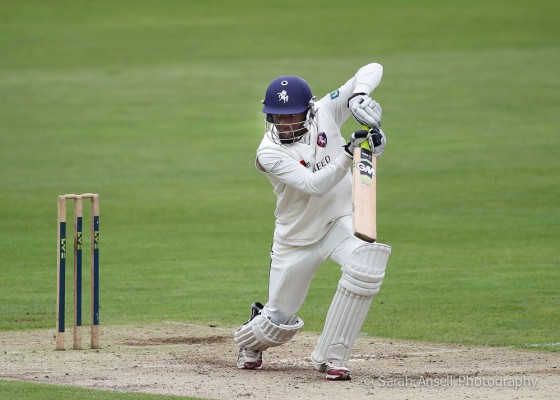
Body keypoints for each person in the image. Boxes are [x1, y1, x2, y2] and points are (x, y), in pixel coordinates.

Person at [234, 63, 392, 381]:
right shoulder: (268, 152)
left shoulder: (326, 110)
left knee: (366, 265)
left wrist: (359, 97)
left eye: (291, 115)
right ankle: (250, 336)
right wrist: (350, 153)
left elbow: (373, 67)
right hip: (296, 240)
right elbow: (312, 185)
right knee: (277, 323)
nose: (285, 123)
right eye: (278, 117)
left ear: (308, 110)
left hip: (337, 223)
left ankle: (333, 356)